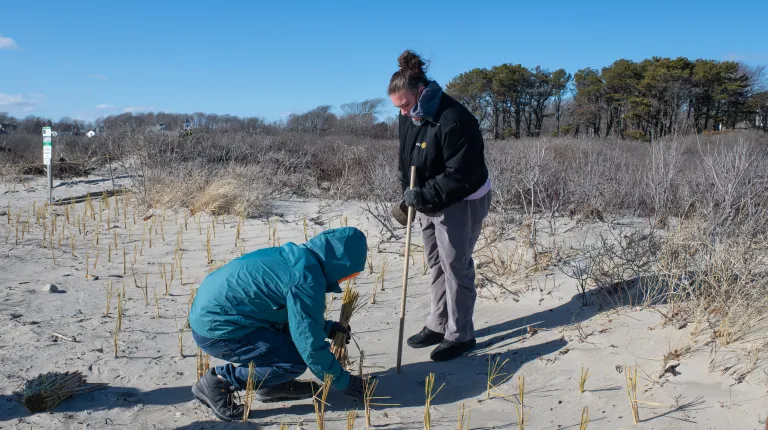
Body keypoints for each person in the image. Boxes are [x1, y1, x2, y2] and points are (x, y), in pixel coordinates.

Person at [188, 227, 369, 421]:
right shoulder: (306, 280)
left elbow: (289, 314)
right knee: (292, 362)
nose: (344, 280)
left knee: (286, 343)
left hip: (218, 315)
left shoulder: (295, 258)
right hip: (218, 329)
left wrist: (327, 328)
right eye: (349, 275)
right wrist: (346, 382)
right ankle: (219, 381)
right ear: (341, 266)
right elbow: (310, 347)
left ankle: (271, 385)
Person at [388, 50, 492, 362]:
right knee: (436, 263)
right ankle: (438, 323)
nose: (403, 113)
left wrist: (424, 194)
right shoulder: (409, 114)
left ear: (420, 92)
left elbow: (462, 174)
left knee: (455, 266)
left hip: (461, 200)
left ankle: (461, 335)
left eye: (405, 104)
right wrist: (408, 194)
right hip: (427, 200)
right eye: (398, 107)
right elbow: (406, 159)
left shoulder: (455, 119)